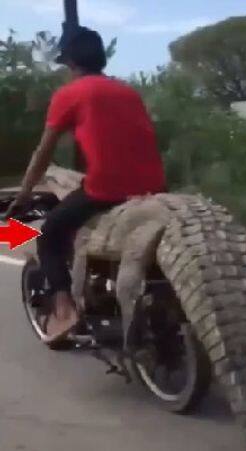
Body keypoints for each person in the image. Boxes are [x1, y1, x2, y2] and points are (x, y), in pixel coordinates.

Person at [7, 26, 166, 343]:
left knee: (51, 233)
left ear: (70, 63)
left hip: (105, 189)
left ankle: (65, 309)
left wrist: (24, 194)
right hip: (154, 185)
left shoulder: (70, 94)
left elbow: (44, 152)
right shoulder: (127, 91)